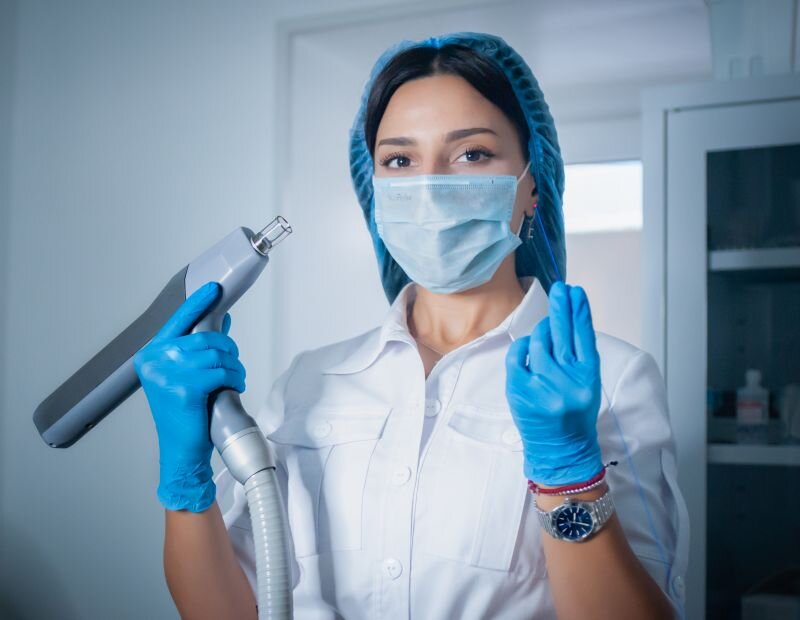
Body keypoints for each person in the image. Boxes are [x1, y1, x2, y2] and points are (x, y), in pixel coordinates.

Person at [134, 32, 689, 619]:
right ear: (373, 189)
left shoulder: (612, 381)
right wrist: (185, 478)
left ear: (533, 183)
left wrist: (569, 479)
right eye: (400, 160)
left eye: (472, 154)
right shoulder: (310, 381)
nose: (430, 187)